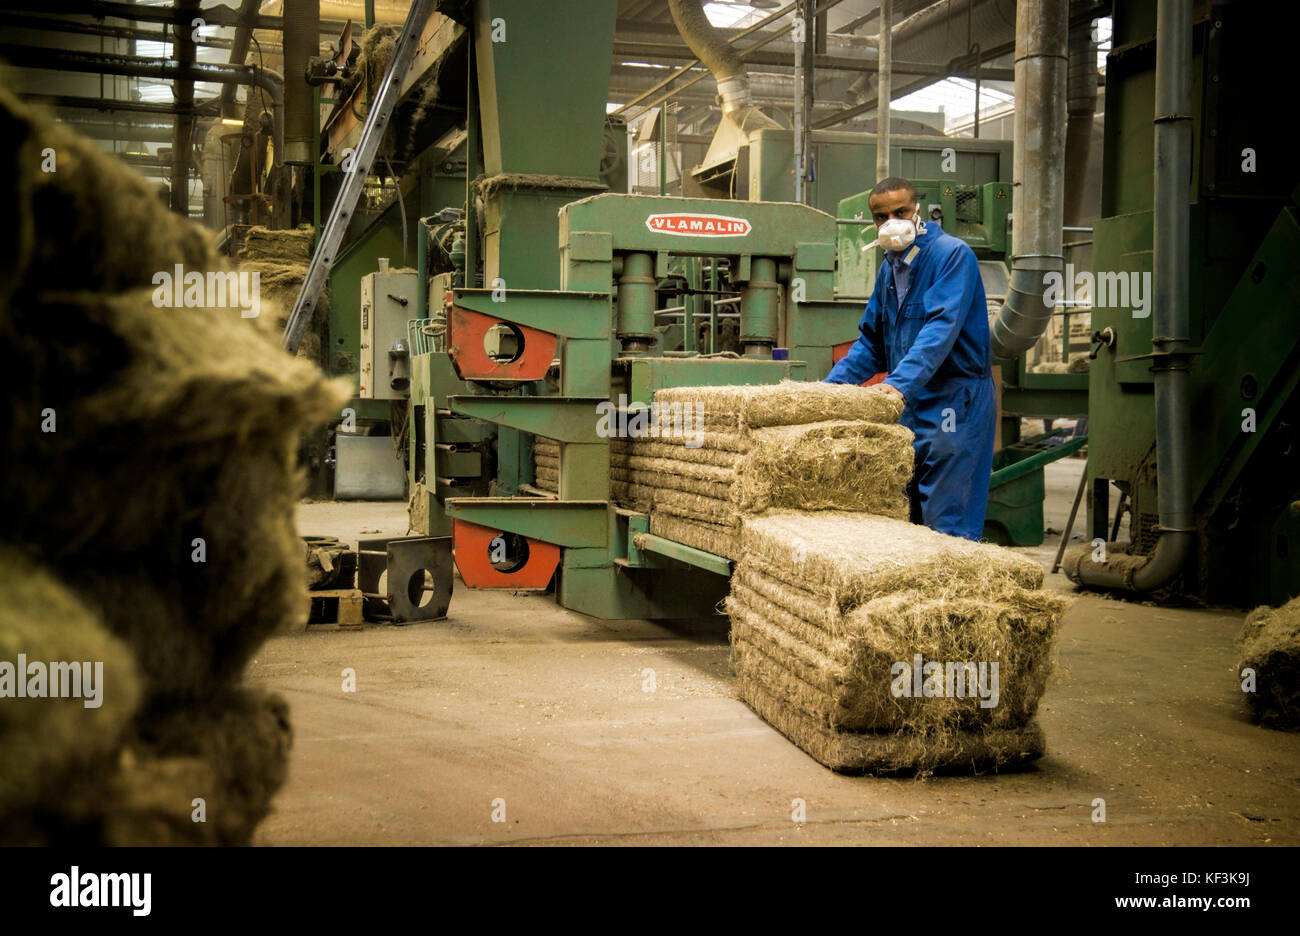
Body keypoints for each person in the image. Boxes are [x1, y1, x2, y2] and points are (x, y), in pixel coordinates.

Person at [825, 176, 996, 541]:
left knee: (947, 525)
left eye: (900, 211)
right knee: (909, 523)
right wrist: (825, 394)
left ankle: (953, 597)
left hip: (953, 404)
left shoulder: (952, 256)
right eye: (881, 216)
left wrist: (897, 384)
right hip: (911, 406)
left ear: (917, 210)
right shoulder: (889, 269)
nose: (892, 222)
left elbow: (940, 330)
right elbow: (871, 343)